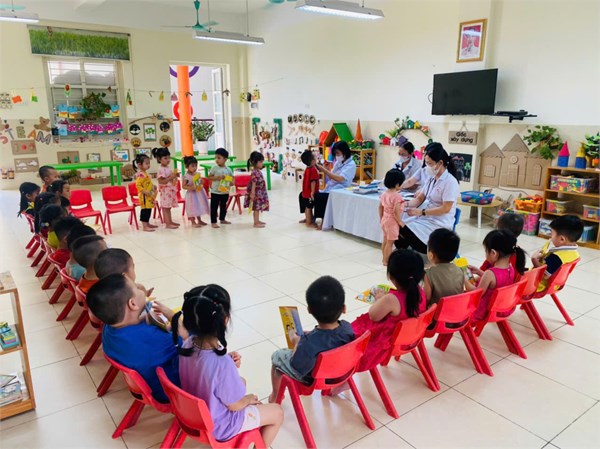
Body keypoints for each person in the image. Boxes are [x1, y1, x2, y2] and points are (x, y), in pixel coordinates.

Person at [172, 289, 283, 446]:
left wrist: (227, 364)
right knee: (277, 412)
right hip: (221, 426)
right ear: (225, 320)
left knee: (241, 381)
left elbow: (206, 368)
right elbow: (234, 405)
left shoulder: (187, 344)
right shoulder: (221, 363)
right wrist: (248, 399)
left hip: (193, 415)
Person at [86, 274, 179, 404]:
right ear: (132, 303)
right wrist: (174, 318)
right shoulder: (153, 339)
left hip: (145, 384)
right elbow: (188, 342)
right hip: (171, 391)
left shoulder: (109, 328)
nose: (140, 288)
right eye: (136, 287)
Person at [269, 276, 354, 402]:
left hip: (314, 380)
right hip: (342, 372)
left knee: (277, 356)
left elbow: (296, 366)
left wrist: (296, 342)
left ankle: (275, 395)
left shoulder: (308, 343)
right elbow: (329, 339)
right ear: (344, 308)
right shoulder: (347, 327)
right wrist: (311, 335)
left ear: (309, 310)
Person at [352, 250, 427, 371]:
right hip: (410, 337)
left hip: (384, 343)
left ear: (391, 276)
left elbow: (373, 316)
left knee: (348, 333)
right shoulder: (419, 291)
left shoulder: (391, 300)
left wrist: (379, 298)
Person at [395, 142, 460, 254]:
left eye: (429, 164)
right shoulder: (432, 178)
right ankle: (403, 254)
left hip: (439, 223)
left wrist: (421, 212)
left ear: (440, 163)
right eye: (426, 163)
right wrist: (404, 204)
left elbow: (446, 208)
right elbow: (419, 199)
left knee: (400, 226)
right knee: (395, 226)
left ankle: (418, 251)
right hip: (426, 219)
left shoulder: (450, 182)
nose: (427, 167)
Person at [466, 230, 526, 320]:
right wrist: (479, 272)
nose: (485, 254)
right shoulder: (510, 268)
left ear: (493, 253)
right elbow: (497, 280)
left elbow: (476, 294)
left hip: (483, 312)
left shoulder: (489, 273)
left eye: (486, 251)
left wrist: (464, 280)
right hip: (502, 308)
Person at [531, 215, 582, 291]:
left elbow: (544, 275)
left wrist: (534, 260)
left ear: (562, 239)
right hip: (555, 284)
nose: (551, 237)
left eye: (552, 234)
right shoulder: (574, 253)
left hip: (539, 285)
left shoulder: (556, 257)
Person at [312, 141, 357, 227]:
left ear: (344, 152)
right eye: (335, 153)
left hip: (341, 188)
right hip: (332, 187)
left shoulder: (351, 165)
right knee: (309, 195)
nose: (336, 155)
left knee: (321, 197)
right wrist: (327, 169)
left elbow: (340, 179)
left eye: (337, 153)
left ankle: (323, 222)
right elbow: (331, 178)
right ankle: (310, 218)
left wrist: (325, 171)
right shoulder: (338, 162)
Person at [424, 228, 466, 307]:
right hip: (457, 311)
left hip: (437, 314)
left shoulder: (428, 274)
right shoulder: (459, 270)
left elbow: (426, 298)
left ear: (431, 255)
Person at [379, 169, 406, 265]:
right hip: (392, 222)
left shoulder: (384, 194)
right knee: (390, 243)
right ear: (398, 184)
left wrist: (381, 218)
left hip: (384, 219)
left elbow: (380, 207)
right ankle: (386, 261)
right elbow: (395, 211)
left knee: (385, 240)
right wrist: (399, 221)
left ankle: (384, 259)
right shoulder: (397, 196)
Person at [153, 147, 180, 229]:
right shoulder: (160, 169)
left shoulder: (167, 167)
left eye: (169, 158)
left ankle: (170, 221)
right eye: (165, 158)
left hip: (170, 190)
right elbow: (162, 181)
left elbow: (169, 177)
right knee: (165, 207)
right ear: (159, 159)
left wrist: (175, 175)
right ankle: (167, 223)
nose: (168, 160)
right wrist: (171, 177)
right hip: (165, 191)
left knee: (168, 207)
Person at [207, 147, 234, 228]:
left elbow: (232, 179)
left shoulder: (228, 169)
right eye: (216, 158)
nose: (217, 160)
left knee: (223, 206)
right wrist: (218, 177)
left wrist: (231, 183)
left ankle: (222, 219)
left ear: (225, 159)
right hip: (215, 191)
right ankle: (213, 222)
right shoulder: (214, 168)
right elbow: (209, 177)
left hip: (225, 191)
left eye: (219, 158)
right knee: (214, 207)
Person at [181, 155, 209, 227]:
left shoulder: (197, 174)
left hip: (198, 193)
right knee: (192, 208)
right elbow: (183, 186)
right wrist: (191, 187)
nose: (195, 168)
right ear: (187, 166)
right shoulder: (186, 176)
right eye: (192, 166)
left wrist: (201, 181)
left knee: (198, 206)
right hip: (191, 194)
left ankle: (199, 220)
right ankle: (193, 222)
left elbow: (199, 181)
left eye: (196, 166)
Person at [133, 153, 158, 232]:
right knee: (144, 210)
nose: (148, 165)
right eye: (146, 163)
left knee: (149, 209)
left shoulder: (145, 173)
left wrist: (153, 186)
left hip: (148, 195)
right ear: (139, 165)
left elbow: (147, 183)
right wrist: (144, 191)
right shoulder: (140, 175)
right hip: (144, 196)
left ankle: (147, 223)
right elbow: (138, 185)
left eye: (149, 163)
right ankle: (144, 226)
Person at [244, 151, 269, 228]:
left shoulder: (258, 171)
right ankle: (255, 222)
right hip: (256, 194)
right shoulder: (254, 172)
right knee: (256, 208)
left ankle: (257, 220)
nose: (262, 163)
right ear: (255, 162)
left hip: (260, 193)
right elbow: (254, 184)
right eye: (260, 162)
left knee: (258, 207)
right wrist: (252, 194)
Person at [298, 150, 321, 227]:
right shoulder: (313, 169)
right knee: (309, 207)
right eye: (314, 158)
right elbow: (313, 182)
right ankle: (309, 222)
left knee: (307, 207)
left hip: (305, 192)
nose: (316, 159)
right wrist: (313, 192)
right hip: (310, 193)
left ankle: (308, 219)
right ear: (312, 161)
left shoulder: (307, 168)